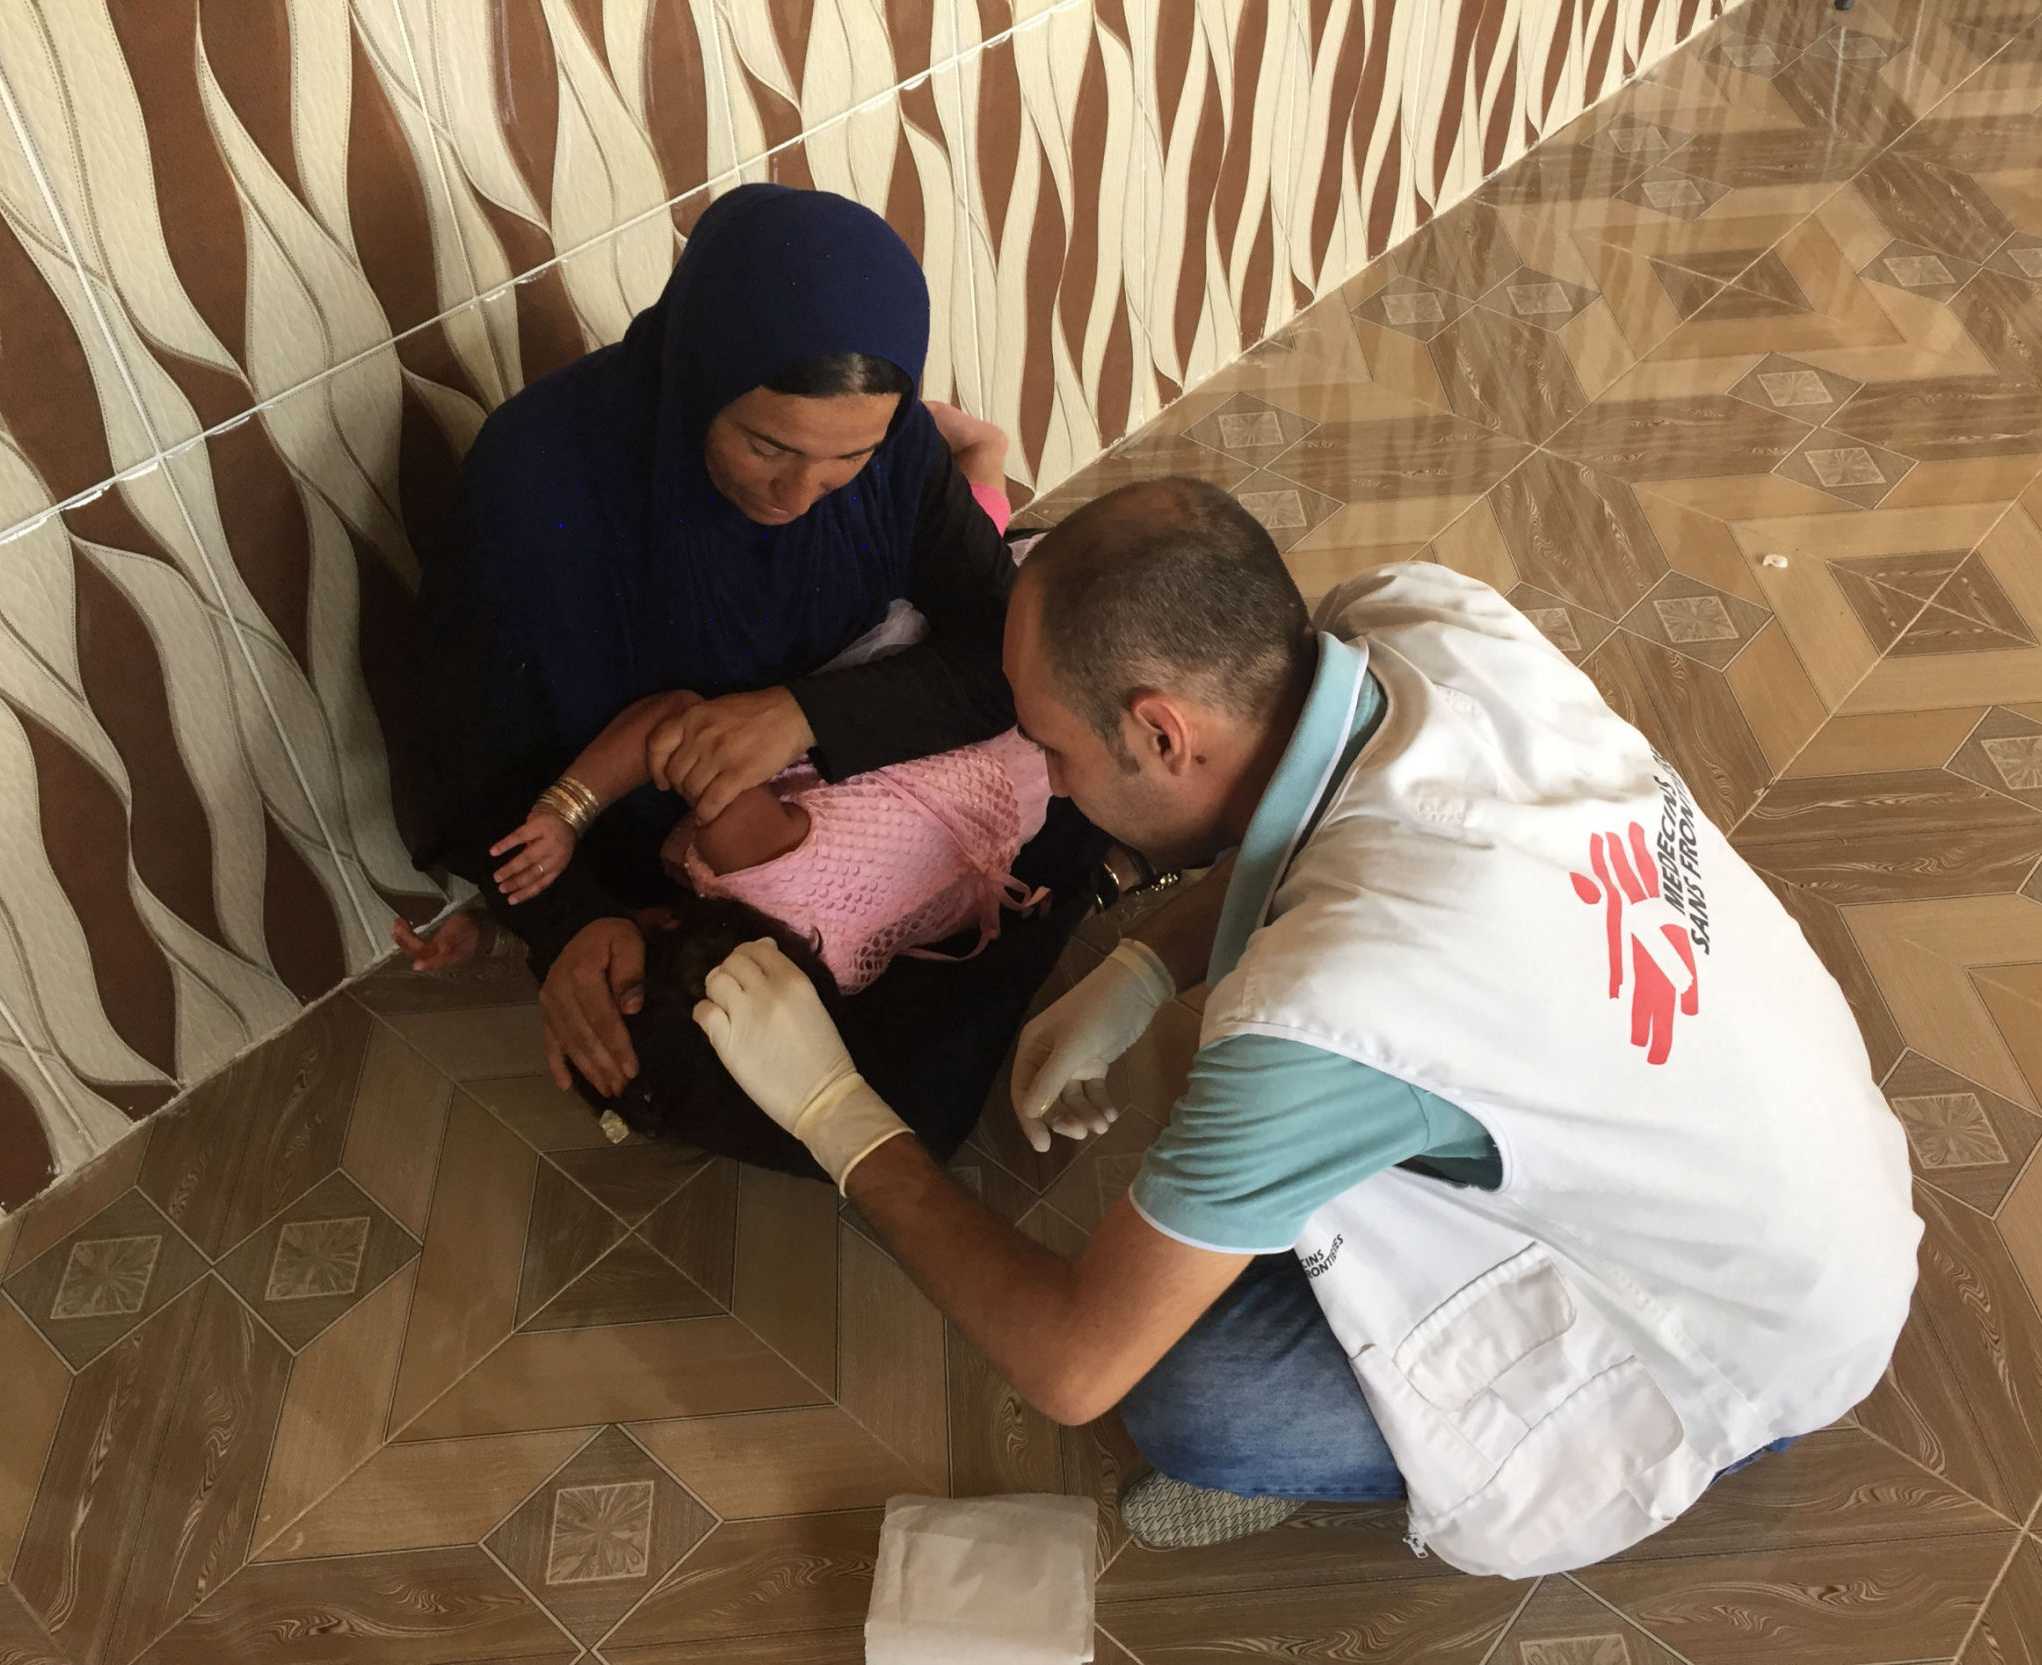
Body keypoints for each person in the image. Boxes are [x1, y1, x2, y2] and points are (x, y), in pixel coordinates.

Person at [687, 477, 1924, 1572]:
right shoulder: (1423, 618)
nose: (1046, 782)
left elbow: (1072, 1367)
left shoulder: (1333, 1012)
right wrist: (1135, 969)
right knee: (1229, 1099)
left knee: (1197, 1403)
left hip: (1745, 1330)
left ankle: (1585, 1449)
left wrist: (839, 1114)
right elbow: (1332, 833)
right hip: (1806, 1163)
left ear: (1163, 731)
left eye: (1055, 747)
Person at [400, 184, 1105, 1175]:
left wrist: (801, 714)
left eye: (846, 458)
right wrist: (566, 925)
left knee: (1108, 731)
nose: (800, 491)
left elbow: (1001, 649)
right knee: (780, 1074)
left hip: (870, 767)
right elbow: (462, 756)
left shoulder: (897, 447)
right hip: (663, 839)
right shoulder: (539, 482)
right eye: (766, 445)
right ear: (695, 376)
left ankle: (1021, 903)